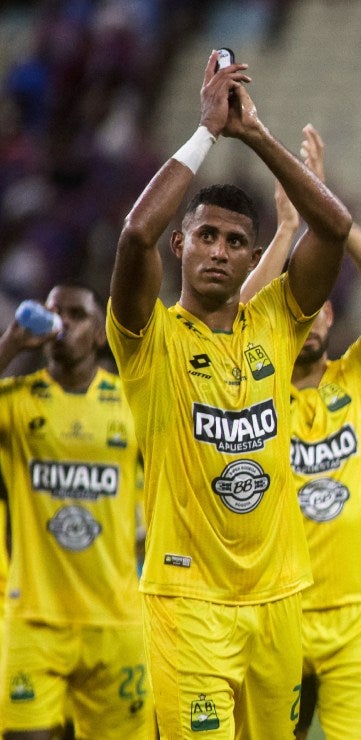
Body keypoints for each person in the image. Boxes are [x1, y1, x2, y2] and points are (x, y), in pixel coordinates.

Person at [105, 54, 352, 737]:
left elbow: (334, 230)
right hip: (187, 605)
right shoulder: (148, 339)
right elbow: (133, 235)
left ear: (253, 258)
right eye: (205, 235)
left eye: (236, 241)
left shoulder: (275, 321)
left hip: (277, 602)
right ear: (181, 244)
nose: (218, 249)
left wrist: (257, 135)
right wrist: (207, 132)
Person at [239, 125, 361, 739]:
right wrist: (286, 229)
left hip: (356, 615)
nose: (308, 318)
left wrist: (324, 204)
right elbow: (233, 329)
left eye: (319, 308)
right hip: (271, 610)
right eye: (296, 309)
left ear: (333, 314)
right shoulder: (251, 394)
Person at [0, 285, 152, 738]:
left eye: (77, 315)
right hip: (34, 619)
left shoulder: (131, 403)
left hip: (116, 619)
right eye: (54, 314)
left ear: (101, 334)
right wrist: (10, 344)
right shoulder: (16, 401)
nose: (63, 323)